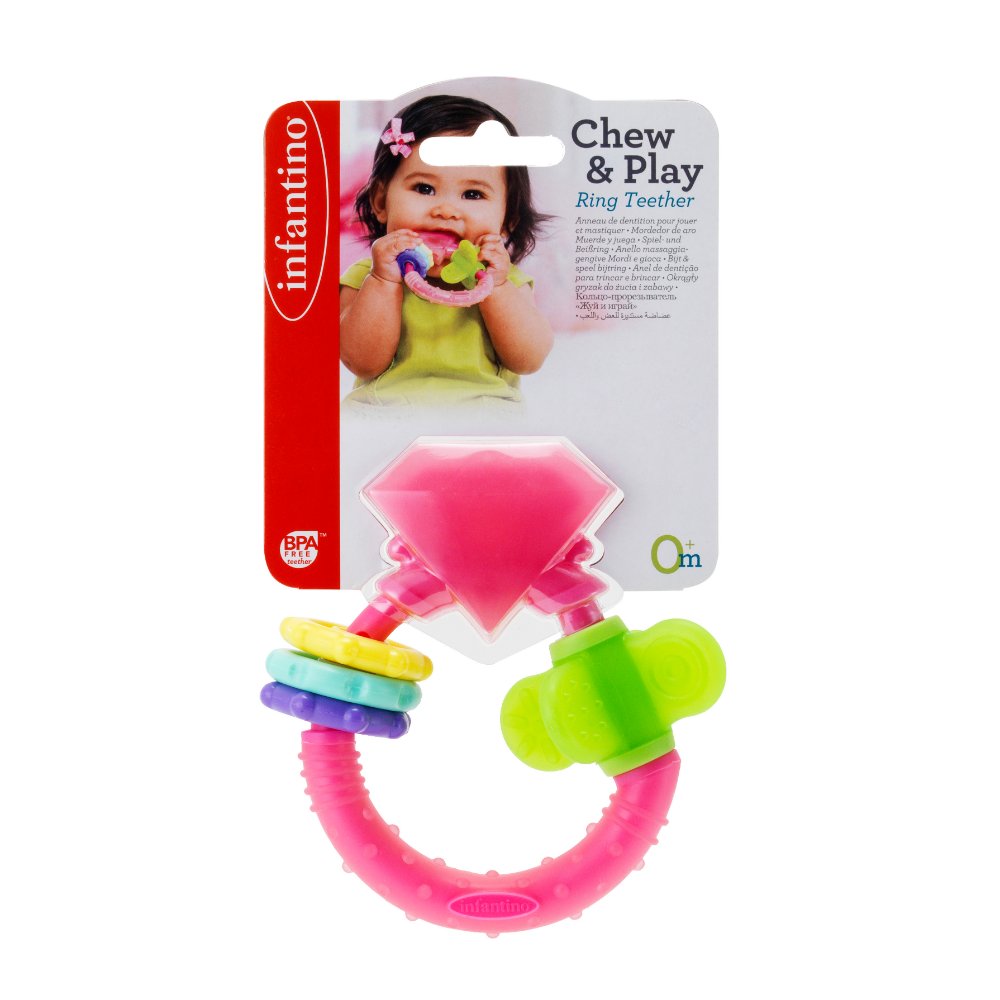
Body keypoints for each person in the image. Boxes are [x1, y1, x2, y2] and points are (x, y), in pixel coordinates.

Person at [340, 95, 553, 406]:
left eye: (472, 194)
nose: (446, 210)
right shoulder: (366, 276)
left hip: (484, 410)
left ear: (508, 220)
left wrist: (497, 287)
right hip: (386, 411)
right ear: (381, 202)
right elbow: (361, 362)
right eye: (424, 188)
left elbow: (529, 359)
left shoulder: (505, 281)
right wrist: (383, 282)